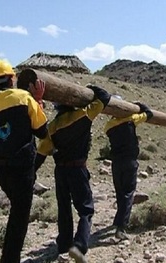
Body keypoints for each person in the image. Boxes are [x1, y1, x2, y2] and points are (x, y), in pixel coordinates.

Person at [34, 84, 111, 263]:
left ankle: (63, 245)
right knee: (86, 209)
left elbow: (41, 154)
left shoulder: (51, 127)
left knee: (64, 208)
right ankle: (79, 246)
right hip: (78, 169)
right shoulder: (83, 115)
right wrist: (88, 89)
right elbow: (105, 97)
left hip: (60, 171)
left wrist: (29, 174)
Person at [0, 60, 48, 263]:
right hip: (21, 168)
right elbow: (42, 132)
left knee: (16, 213)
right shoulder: (24, 97)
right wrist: (37, 102)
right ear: (12, 79)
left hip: (2, 170)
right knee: (19, 218)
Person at [105, 98, 153, 240]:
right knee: (128, 194)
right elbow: (149, 113)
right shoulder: (131, 120)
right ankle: (121, 227)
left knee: (120, 192)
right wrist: (137, 104)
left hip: (116, 163)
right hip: (129, 162)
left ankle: (118, 221)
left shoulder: (108, 126)